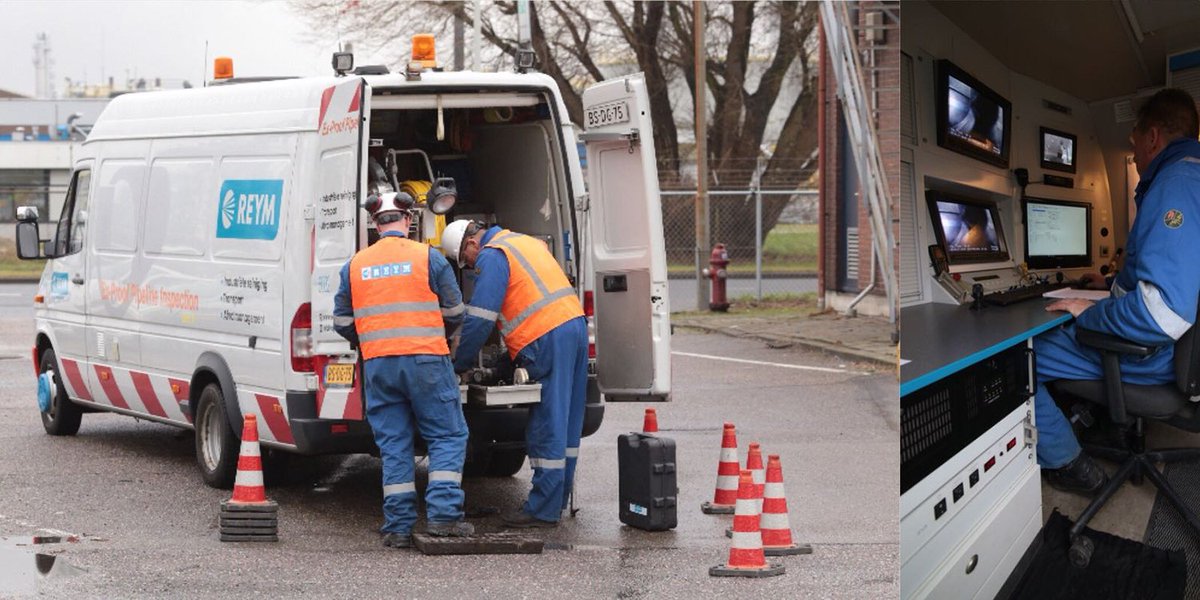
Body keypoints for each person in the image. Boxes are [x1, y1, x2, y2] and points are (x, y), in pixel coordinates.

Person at [1036, 88, 1200, 496]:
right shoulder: (1193, 178)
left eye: (1134, 146)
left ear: (1152, 137)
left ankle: (1068, 462)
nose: (1137, 158)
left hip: (1156, 356)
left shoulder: (1174, 184)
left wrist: (1085, 311)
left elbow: (1163, 313)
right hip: (1186, 355)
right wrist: (1109, 286)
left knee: (1018, 358)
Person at [333, 190, 473, 548]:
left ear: (375, 224)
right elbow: (456, 312)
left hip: (379, 364)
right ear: (408, 221)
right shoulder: (429, 257)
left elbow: (342, 321)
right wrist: (439, 333)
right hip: (426, 359)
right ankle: (443, 518)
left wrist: (369, 339)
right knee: (446, 436)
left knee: (394, 443)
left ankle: (397, 527)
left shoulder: (354, 265)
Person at [440, 219, 588, 528]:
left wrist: (457, 364)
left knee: (547, 422)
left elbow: (481, 319)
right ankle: (557, 500)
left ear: (470, 245)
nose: (471, 269)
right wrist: (504, 365)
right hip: (573, 327)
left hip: (547, 335)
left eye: (467, 264)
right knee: (567, 419)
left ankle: (542, 510)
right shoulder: (523, 242)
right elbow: (530, 303)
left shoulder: (493, 255)